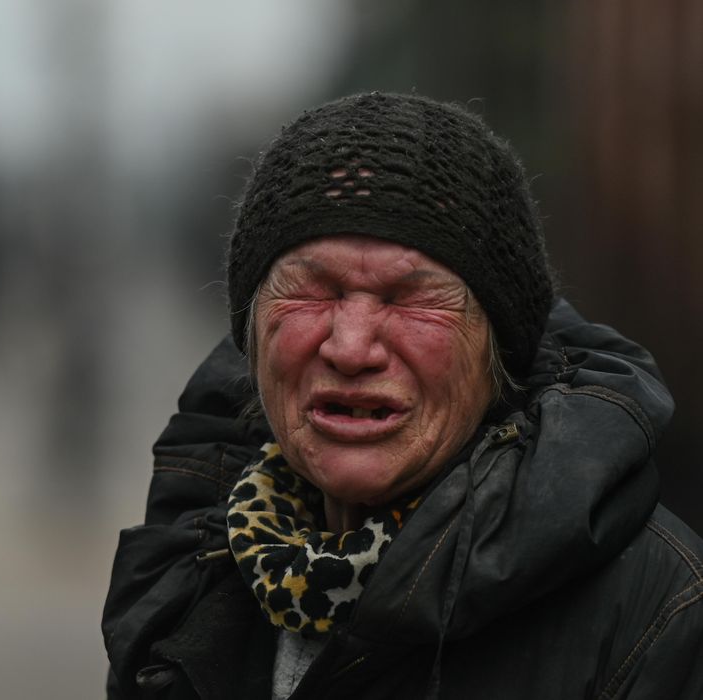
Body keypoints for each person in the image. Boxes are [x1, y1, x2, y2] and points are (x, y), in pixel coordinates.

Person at [102, 92, 703, 699]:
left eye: (412, 297)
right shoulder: (188, 579)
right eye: (313, 289)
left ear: (498, 353)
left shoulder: (657, 613)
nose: (351, 347)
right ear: (252, 334)